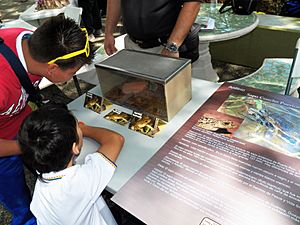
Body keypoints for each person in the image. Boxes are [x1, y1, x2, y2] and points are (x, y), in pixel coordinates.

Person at [0, 15, 94, 225]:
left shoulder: (29, 41)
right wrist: (28, 147)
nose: (71, 78)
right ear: (52, 68)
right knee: (19, 202)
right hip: (4, 145)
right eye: (72, 73)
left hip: (23, 123)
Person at [18, 104, 124, 225]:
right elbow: (115, 140)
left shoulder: (42, 178)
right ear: (74, 147)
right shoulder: (80, 182)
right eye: (77, 126)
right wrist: (85, 129)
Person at [104, 0, 218, 82]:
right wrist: (108, 32)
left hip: (165, 48)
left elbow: (192, 3)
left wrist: (172, 45)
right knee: (139, 99)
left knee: (173, 100)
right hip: (132, 45)